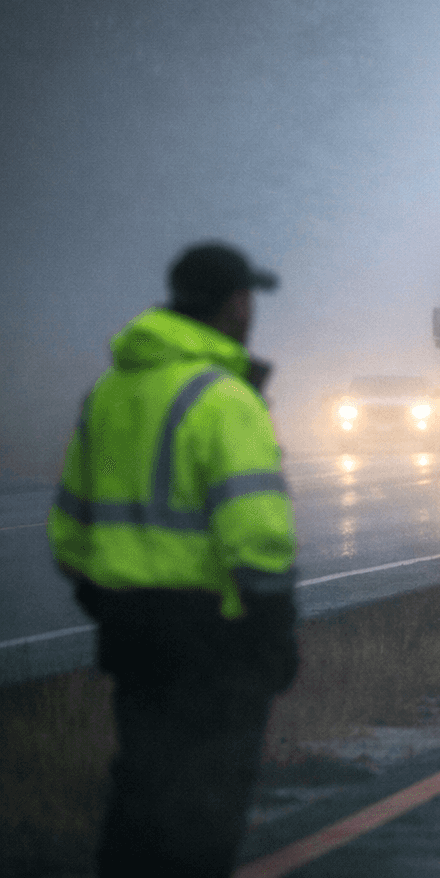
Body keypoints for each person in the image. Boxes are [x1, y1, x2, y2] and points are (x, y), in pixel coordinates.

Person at [48, 242, 299, 877]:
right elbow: (258, 534)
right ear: (235, 305)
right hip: (215, 636)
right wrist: (273, 636)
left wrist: (105, 602)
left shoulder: (109, 395)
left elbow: (73, 527)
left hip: (129, 633)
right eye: (248, 300)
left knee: (140, 789)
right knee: (204, 813)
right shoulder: (224, 401)